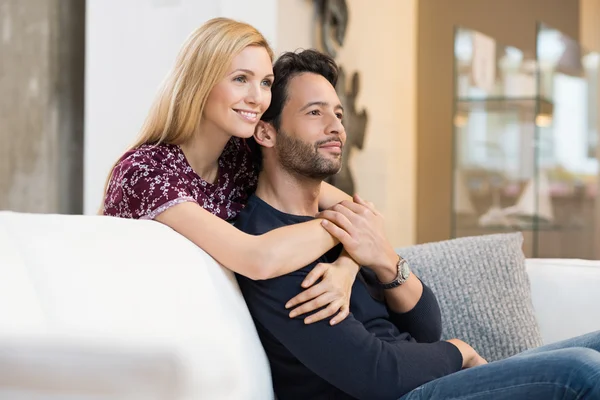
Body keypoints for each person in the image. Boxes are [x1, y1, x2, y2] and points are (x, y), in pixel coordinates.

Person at [234, 48, 600, 400]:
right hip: (400, 393)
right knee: (582, 372)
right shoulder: (273, 245)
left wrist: (383, 261)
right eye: (315, 113)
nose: (337, 129)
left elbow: (424, 329)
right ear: (266, 133)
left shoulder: (339, 220)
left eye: (339, 114)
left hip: (425, 382)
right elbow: (376, 375)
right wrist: (459, 351)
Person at [101, 17, 378, 325]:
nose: (257, 98)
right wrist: (344, 233)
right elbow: (257, 260)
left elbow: (359, 213)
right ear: (200, 82)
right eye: (240, 79)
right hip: (139, 329)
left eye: (265, 83)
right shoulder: (145, 172)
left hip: (212, 329)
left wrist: (346, 268)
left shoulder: (241, 155)